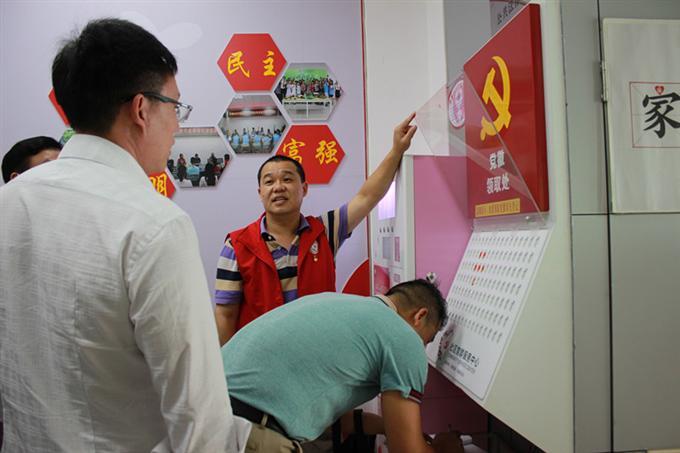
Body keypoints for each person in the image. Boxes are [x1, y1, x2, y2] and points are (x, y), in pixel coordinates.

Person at [0, 18, 247, 452]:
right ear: (141, 109)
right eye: (176, 107)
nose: (177, 125)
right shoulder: (156, 224)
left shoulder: (9, 202)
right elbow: (200, 420)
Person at [214, 113, 418, 345]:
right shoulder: (237, 245)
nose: (278, 187)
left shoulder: (326, 230)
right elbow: (225, 315)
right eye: (269, 182)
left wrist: (397, 150)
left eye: (287, 179)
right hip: (260, 358)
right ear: (260, 193)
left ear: (304, 188)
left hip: (318, 354)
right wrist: (226, 363)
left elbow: (366, 197)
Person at [222, 279, 464, 453]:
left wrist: (390, 427)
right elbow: (406, 450)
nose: (421, 348)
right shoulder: (404, 337)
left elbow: (332, 418)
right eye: (426, 341)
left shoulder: (333, 302)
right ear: (419, 316)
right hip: (251, 435)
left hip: (215, 416)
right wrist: (446, 448)